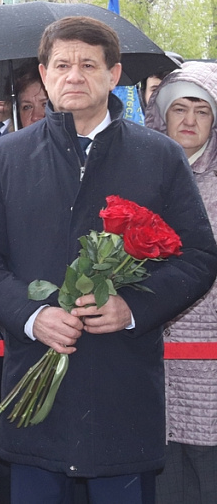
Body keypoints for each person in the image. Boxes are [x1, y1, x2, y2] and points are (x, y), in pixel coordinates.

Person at [0, 16, 217, 504]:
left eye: (89, 65)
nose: (74, 76)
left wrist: (132, 308)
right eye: (62, 65)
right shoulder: (8, 157)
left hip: (121, 389)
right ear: (45, 74)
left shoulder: (158, 155)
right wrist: (31, 315)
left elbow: (198, 257)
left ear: (113, 75)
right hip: (34, 393)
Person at [143, 62, 217, 504]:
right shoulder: (140, 176)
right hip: (151, 354)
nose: (189, 120)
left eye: (202, 111)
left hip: (209, 359)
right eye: (180, 109)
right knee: (163, 481)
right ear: (162, 114)